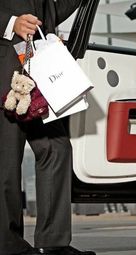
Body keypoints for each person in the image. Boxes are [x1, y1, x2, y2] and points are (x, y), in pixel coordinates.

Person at [0, 1, 96, 255]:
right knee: (6, 163)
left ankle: (53, 242)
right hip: (3, 73)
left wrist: (49, 36)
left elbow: (50, 8)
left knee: (57, 148)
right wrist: (11, 23)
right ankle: (8, 246)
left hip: (38, 69)